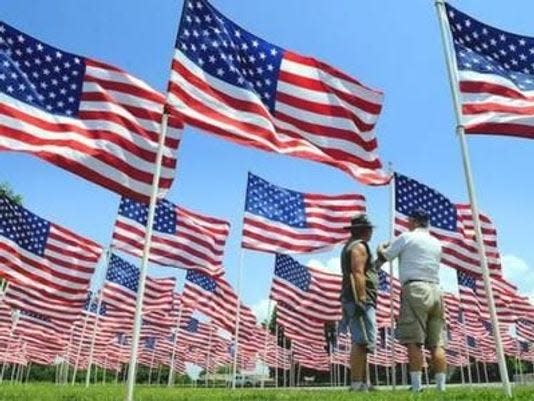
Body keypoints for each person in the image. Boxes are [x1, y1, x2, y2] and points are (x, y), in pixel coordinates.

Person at [376, 208, 447, 393]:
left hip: (415, 289)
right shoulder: (436, 242)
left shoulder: (407, 237)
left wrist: (380, 248)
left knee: (414, 341)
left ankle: (417, 388)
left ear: (414, 221)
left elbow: (385, 256)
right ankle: (441, 388)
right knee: (436, 343)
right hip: (436, 290)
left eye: (409, 220)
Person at [339, 214, 378, 392]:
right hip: (358, 299)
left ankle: (364, 384)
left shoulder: (352, 246)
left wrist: (381, 259)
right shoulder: (359, 247)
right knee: (361, 341)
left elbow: (367, 270)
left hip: (353, 298)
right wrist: (361, 299)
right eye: (369, 229)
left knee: (364, 342)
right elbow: (358, 273)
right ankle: (356, 384)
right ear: (364, 230)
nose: (371, 232)